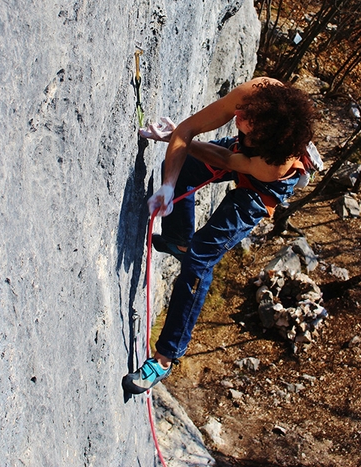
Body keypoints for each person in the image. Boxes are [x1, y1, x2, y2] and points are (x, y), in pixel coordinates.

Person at [122, 77, 316, 394]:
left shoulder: (272, 164)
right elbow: (187, 131)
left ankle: (164, 359)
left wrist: (177, 140)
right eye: (242, 115)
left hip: (261, 185)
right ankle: (178, 240)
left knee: (199, 260)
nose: (237, 120)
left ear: (263, 136)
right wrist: (169, 183)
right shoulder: (253, 94)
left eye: (247, 126)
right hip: (249, 154)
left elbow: (227, 161)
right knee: (183, 163)